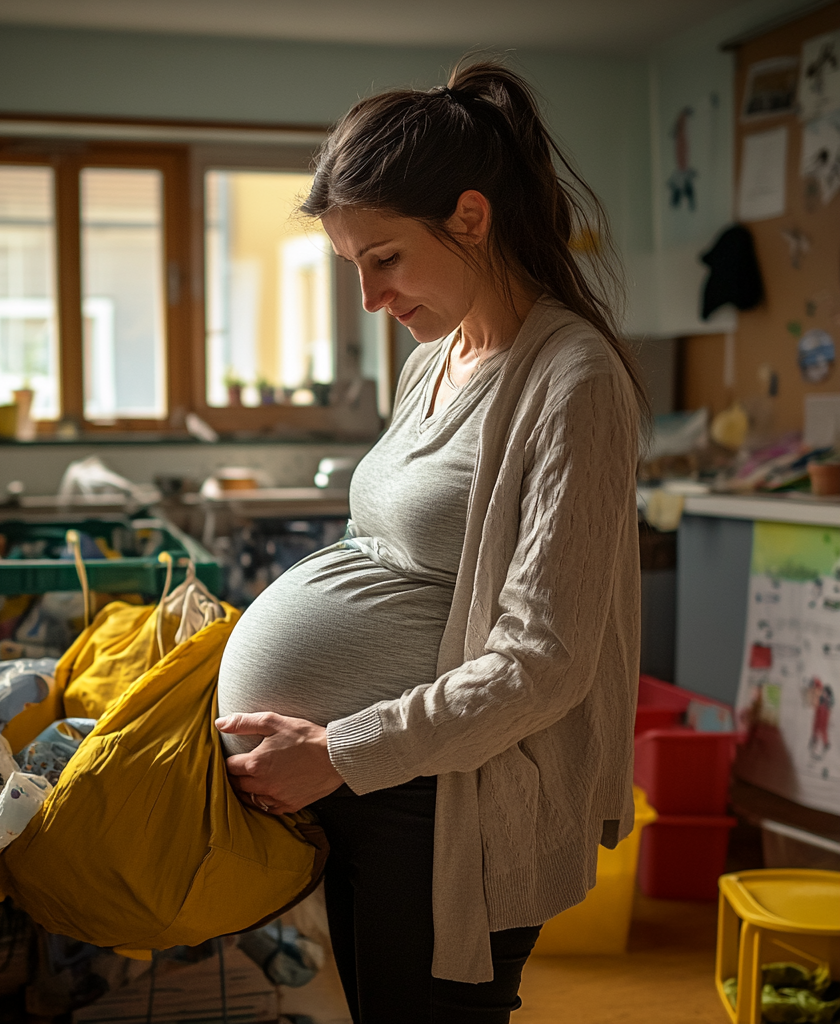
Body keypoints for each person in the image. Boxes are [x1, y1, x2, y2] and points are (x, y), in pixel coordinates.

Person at [215, 59, 646, 1024]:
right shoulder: (433, 359)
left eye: (386, 259)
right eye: (352, 267)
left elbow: (545, 661)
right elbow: (397, 553)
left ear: (471, 218)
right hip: (372, 786)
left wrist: (341, 749)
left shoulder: (572, 381)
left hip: (452, 799)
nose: (370, 298)